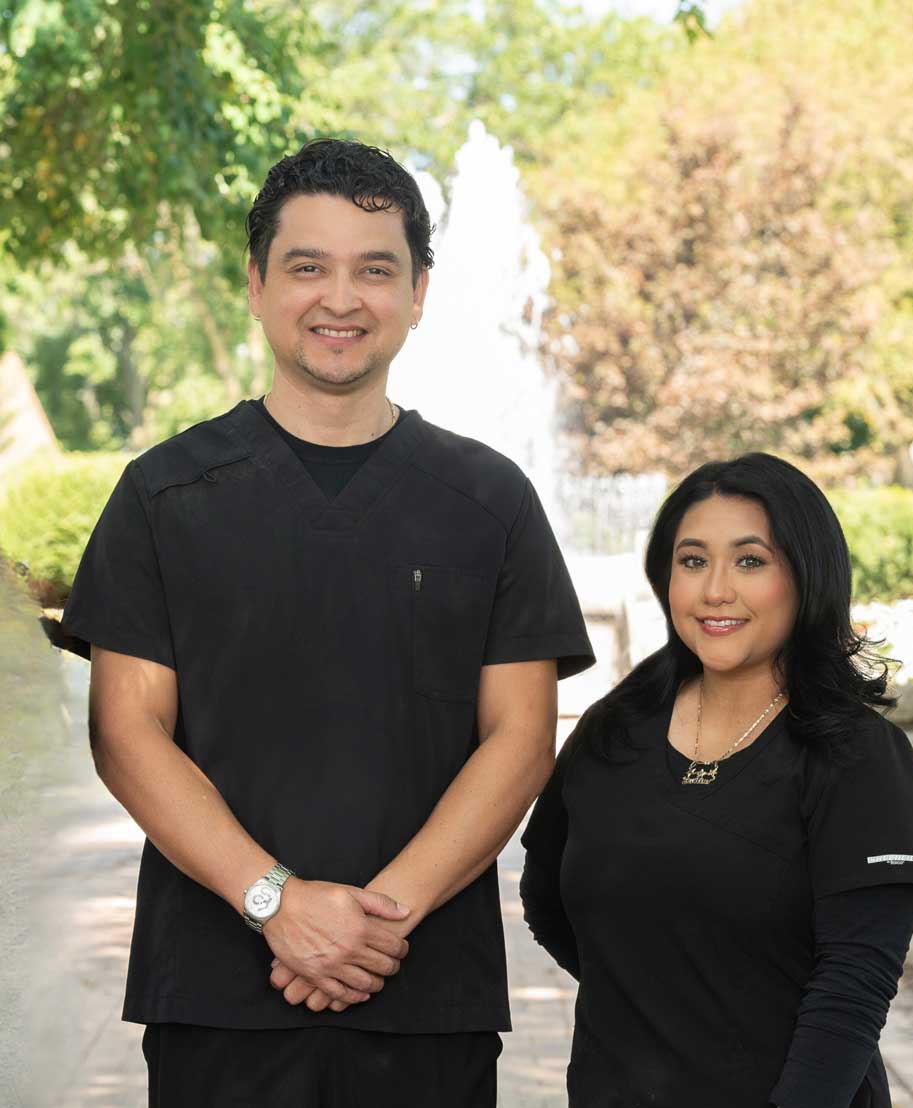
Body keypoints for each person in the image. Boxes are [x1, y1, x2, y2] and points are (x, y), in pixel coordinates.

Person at [58, 138, 594, 1107]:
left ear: (419, 292)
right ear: (257, 283)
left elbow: (519, 737)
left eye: (374, 270)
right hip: (217, 995)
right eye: (307, 266)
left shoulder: (490, 501)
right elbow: (125, 734)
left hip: (425, 994)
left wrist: (371, 922)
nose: (339, 298)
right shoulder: (163, 496)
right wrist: (274, 903)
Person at [520, 452, 913, 1108]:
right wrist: (666, 1005)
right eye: (693, 561)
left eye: (751, 560)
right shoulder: (612, 733)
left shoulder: (858, 757)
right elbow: (547, 898)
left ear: (805, 575)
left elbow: (853, 988)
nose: (716, 590)